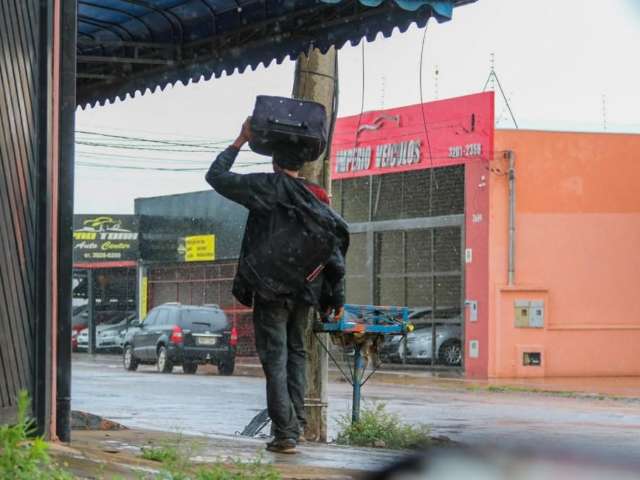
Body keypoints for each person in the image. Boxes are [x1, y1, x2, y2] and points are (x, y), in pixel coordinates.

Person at [205, 118, 348, 454]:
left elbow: (216, 177)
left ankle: (285, 433)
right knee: (297, 354)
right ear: (304, 163)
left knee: (277, 359)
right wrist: (336, 296)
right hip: (307, 292)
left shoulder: (265, 187)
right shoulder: (318, 196)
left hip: (272, 291)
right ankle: (295, 425)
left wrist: (240, 140)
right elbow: (333, 249)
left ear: (273, 160)